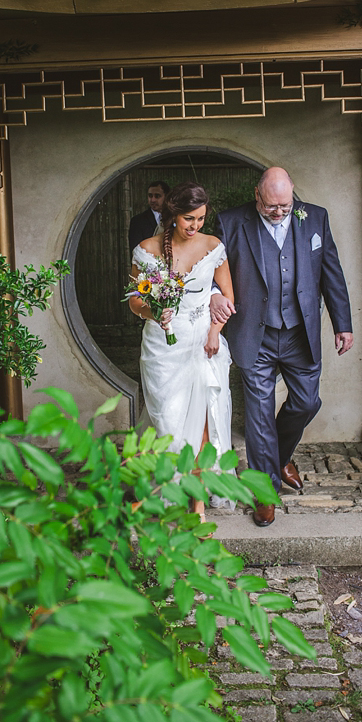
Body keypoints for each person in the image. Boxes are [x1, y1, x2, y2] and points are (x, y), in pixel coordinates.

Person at [211, 167, 353, 528]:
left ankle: (278, 457)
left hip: (299, 333)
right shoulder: (230, 223)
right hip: (253, 335)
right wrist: (215, 298)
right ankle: (264, 492)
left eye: (286, 206)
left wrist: (343, 325)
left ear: (293, 197)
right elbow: (210, 273)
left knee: (307, 402)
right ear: (257, 195)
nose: (279, 212)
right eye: (272, 206)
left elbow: (331, 273)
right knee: (258, 417)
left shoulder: (315, 217)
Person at [128, 182, 235, 522]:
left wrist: (215, 332)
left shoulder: (214, 246)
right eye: (189, 219)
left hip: (204, 342)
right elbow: (134, 301)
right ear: (174, 215)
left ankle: (197, 503)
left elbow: (228, 299)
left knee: (204, 422)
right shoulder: (146, 250)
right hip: (163, 345)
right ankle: (167, 491)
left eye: (201, 219)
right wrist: (152, 312)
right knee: (168, 423)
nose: (195, 226)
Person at [128, 180, 170, 252]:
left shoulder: (174, 218)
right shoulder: (138, 221)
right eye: (150, 196)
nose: (153, 200)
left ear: (166, 197)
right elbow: (135, 250)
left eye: (157, 196)